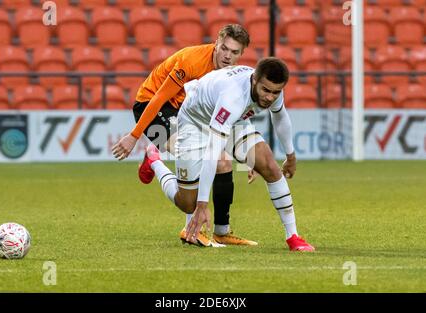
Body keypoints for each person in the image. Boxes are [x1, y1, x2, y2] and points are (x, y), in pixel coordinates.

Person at [133, 57, 315, 251]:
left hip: (232, 120)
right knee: (187, 203)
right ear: (254, 80)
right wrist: (201, 206)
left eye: (276, 92)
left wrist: (291, 156)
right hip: (194, 122)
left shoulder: (270, 87)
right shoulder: (233, 97)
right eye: (266, 90)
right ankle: (154, 160)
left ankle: (293, 236)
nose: (270, 97)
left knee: (268, 164)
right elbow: (212, 152)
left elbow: (280, 116)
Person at [112, 24, 257, 247]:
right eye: (224, 48)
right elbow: (159, 98)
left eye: (234, 52)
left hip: (187, 113)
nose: (228, 56)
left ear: (242, 53)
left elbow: (233, 114)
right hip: (152, 105)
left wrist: (249, 155)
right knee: (195, 157)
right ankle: (190, 227)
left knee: (223, 163)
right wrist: (134, 135)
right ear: (216, 43)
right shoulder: (192, 60)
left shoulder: (231, 75)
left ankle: (221, 231)